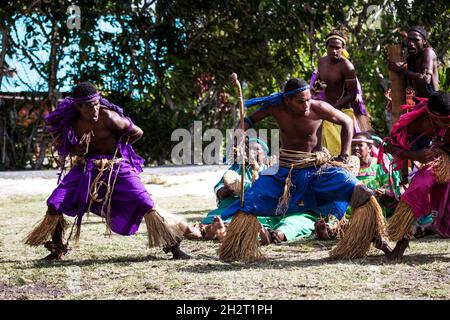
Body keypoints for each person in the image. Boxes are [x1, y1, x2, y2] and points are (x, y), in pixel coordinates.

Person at [218, 78, 389, 261]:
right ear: (287, 100)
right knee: (249, 201)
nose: (307, 105)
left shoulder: (318, 108)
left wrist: (344, 155)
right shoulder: (276, 108)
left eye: (308, 99)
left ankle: (379, 241)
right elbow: (249, 120)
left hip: (319, 170)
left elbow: (347, 121)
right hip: (285, 173)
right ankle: (235, 249)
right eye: (301, 101)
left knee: (361, 191)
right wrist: (239, 135)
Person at [24, 82, 190, 260]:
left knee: (145, 203)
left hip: (116, 166)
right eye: (89, 107)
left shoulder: (109, 117)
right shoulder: (70, 121)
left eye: (96, 104)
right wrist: (75, 150)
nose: (95, 110)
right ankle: (57, 250)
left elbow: (137, 132)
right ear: (78, 106)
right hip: (86, 168)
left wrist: (119, 149)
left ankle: (174, 247)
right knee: (55, 203)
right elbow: (58, 138)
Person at [200, 138, 318, 244]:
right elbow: (219, 191)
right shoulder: (238, 168)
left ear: (265, 154)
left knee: (266, 218)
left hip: (259, 210)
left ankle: (224, 231)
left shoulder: (271, 171)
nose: (252, 152)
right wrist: (229, 189)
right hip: (233, 206)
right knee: (219, 215)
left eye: (256, 149)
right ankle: (215, 230)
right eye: (249, 149)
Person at [382, 91, 450, 260]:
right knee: (419, 184)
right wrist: (415, 156)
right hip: (442, 158)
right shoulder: (419, 122)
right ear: (432, 116)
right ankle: (402, 239)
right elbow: (389, 146)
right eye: (445, 120)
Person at [310, 30, 371, 157]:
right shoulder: (322, 62)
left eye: (337, 48)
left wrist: (332, 109)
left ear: (343, 48)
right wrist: (315, 88)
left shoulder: (347, 67)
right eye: (331, 47)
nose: (334, 51)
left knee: (340, 154)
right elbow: (320, 81)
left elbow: (352, 95)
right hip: (326, 112)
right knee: (322, 154)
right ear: (326, 47)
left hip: (342, 114)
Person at [388, 26, 439, 98]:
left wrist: (401, 69)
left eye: (415, 40)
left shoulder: (428, 52)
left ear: (424, 41)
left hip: (432, 103)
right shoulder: (412, 58)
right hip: (419, 102)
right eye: (409, 39)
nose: (411, 43)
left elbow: (426, 80)